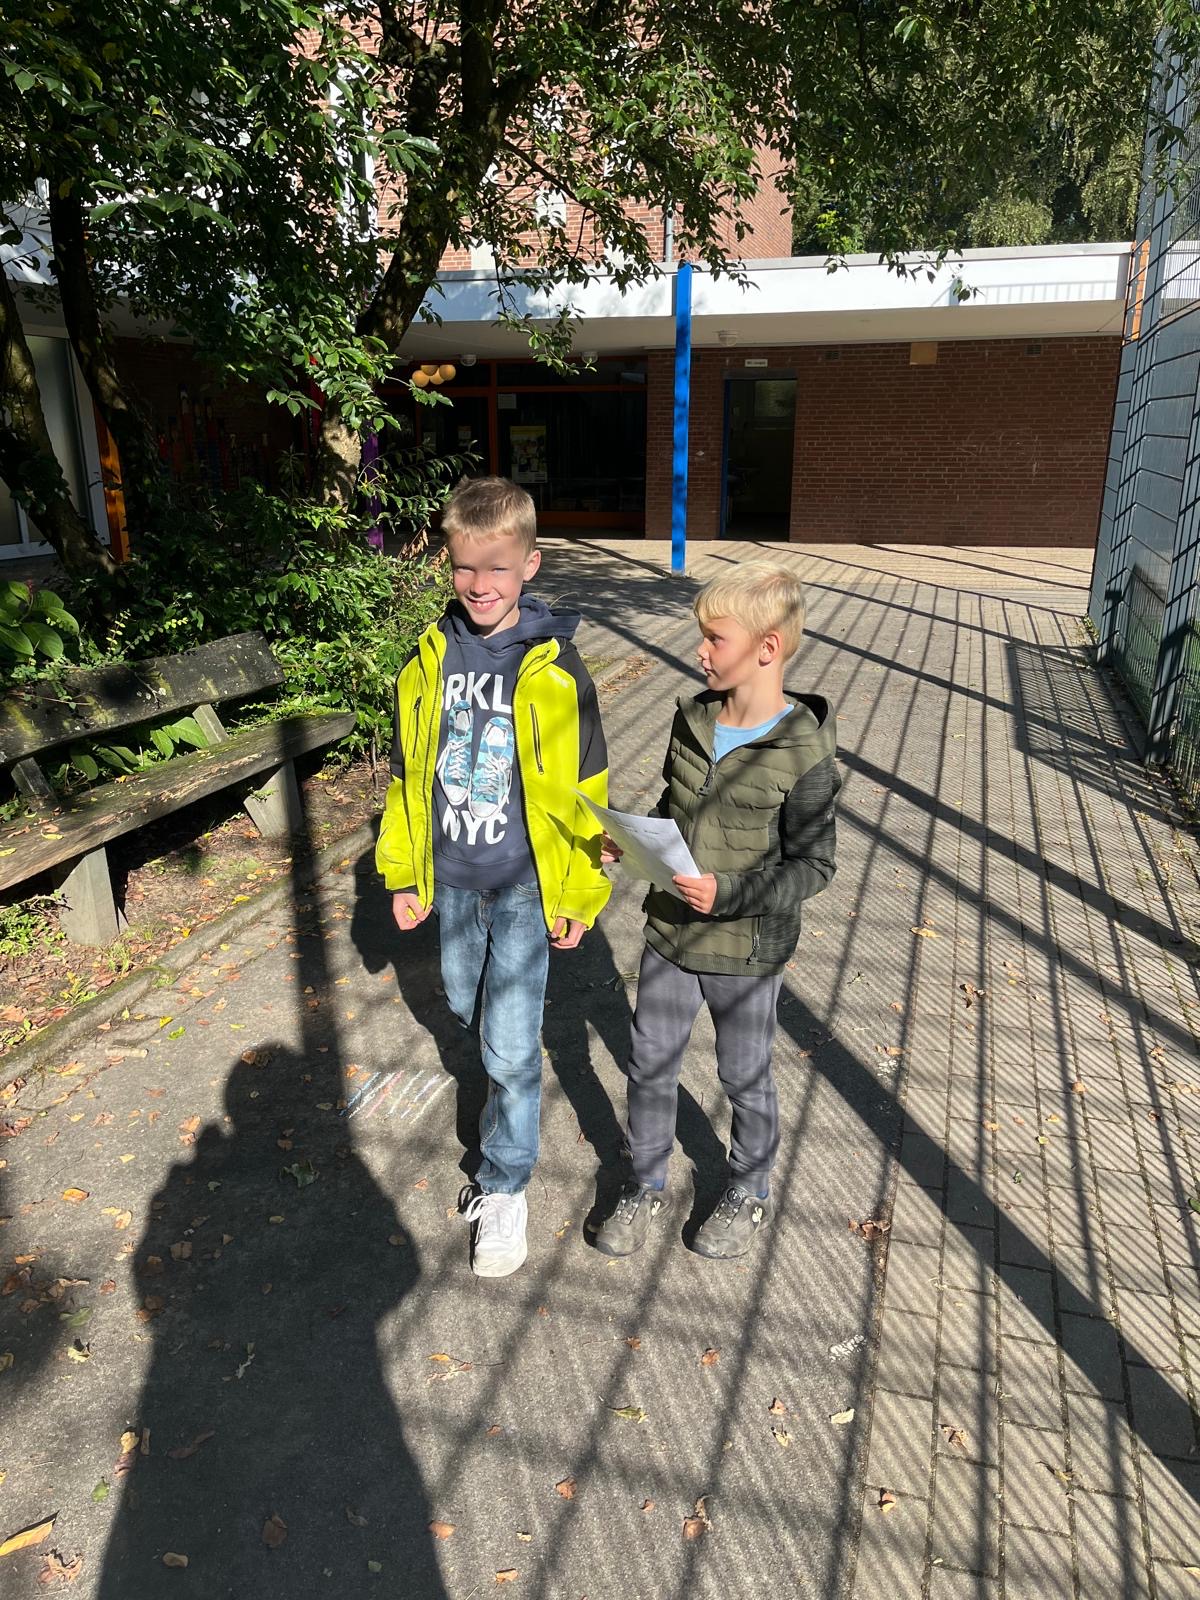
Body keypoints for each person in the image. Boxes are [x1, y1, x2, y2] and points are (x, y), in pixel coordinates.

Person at [377, 476, 611, 1277]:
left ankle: (505, 1186)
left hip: (522, 884)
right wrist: (404, 874)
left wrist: (579, 891)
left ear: (530, 565)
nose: (480, 585)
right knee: (461, 1004)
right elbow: (408, 778)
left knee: (509, 1050)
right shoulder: (428, 660)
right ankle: (502, 1101)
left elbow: (588, 790)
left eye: (499, 568)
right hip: (452, 879)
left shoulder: (558, 668)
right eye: (464, 567)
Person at [592, 561, 839, 1260]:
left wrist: (729, 893)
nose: (700, 651)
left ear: (767, 648)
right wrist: (634, 841)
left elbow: (815, 866)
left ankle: (748, 1188)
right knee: (649, 1062)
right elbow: (675, 806)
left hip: (746, 950)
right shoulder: (693, 717)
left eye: (715, 638)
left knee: (743, 1075)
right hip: (671, 933)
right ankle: (643, 1181)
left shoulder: (804, 751)